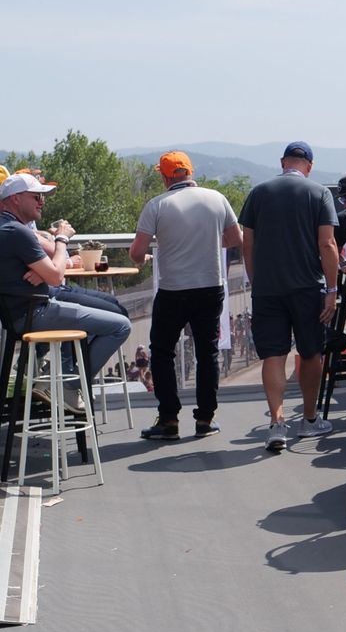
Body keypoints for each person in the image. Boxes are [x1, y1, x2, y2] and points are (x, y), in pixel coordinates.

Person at [128, 151, 242, 439]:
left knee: (163, 352)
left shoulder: (157, 205)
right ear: (190, 173)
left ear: (165, 177)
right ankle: (205, 420)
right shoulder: (217, 199)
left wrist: (154, 248)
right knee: (208, 352)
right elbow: (235, 239)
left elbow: (137, 253)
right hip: (210, 286)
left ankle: (168, 420)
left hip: (173, 289)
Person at [238, 141, 340, 452]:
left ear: (283, 162)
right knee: (310, 353)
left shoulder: (258, 193)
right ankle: (308, 420)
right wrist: (332, 291)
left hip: (268, 288)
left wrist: (257, 280)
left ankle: (277, 422)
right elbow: (328, 245)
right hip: (307, 287)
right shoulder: (319, 193)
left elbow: (247, 244)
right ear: (308, 166)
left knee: (273, 355)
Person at [0, 173, 131, 411]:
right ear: (16, 199)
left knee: (111, 313)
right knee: (120, 325)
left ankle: (59, 378)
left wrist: (47, 269)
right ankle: (67, 385)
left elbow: (48, 271)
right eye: (36, 196)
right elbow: (56, 275)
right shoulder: (16, 232)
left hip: (23, 312)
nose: (42, 201)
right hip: (37, 311)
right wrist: (61, 240)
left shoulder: (8, 228)